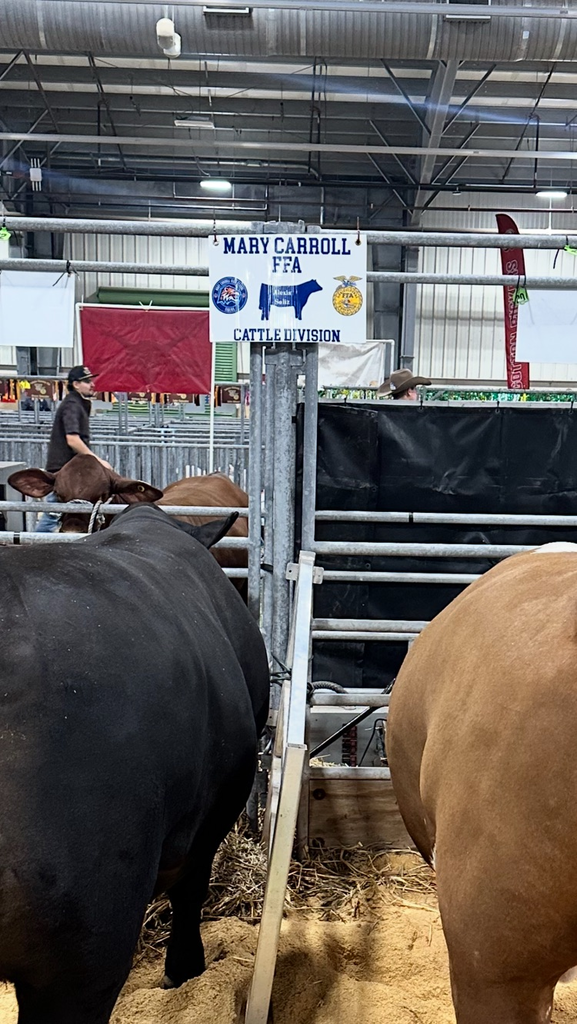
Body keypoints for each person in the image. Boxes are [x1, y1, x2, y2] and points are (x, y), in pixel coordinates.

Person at [37, 365, 112, 533]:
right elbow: (72, 439)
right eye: (87, 381)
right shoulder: (72, 405)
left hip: (68, 471)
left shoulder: (77, 403)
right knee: (53, 516)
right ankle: (33, 547)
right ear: (76, 384)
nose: (92, 384)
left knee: (57, 515)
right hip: (64, 471)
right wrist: (98, 462)